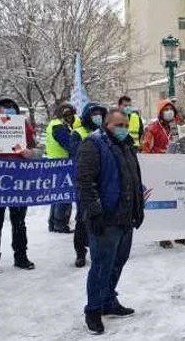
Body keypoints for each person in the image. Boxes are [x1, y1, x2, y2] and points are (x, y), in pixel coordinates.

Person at [77, 108, 145, 335]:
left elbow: (131, 177)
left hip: (125, 217)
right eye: (119, 125)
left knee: (117, 262)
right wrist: (94, 212)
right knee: (101, 266)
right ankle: (93, 310)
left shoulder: (126, 146)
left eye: (126, 125)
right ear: (106, 125)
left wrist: (138, 206)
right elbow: (85, 182)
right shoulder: (93, 144)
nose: (124, 129)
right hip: (106, 219)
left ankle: (108, 300)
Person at [0, 98, 39, 275]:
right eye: (5, 110)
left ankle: (21, 257)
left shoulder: (25, 129)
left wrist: (30, 153)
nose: (9, 113)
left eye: (12, 110)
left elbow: (39, 150)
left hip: (19, 183)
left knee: (19, 223)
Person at [142, 99, 185, 248]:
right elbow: (145, 148)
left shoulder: (179, 127)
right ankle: (163, 235)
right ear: (160, 112)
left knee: (179, 202)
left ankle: (179, 233)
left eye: (171, 109)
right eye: (166, 109)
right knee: (164, 204)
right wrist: (156, 157)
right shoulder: (153, 128)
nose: (169, 112)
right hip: (160, 170)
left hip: (177, 170)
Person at [71, 102, 108, 268]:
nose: (97, 116)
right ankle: (80, 252)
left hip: (103, 180)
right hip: (85, 180)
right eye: (94, 113)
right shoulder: (78, 133)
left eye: (100, 113)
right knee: (82, 217)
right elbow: (76, 155)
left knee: (100, 216)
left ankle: (97, 248)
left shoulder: (105, 133)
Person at [46, 103, 77, 233]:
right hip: (62, 164)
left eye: (71, 115)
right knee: (64, 194)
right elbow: (69, 144)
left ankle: (54, 223)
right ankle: (60, 223)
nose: (70, 118)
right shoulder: (59, 126)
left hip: (55, 163)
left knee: (57, 194)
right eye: (68, 115)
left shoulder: (54, 124)